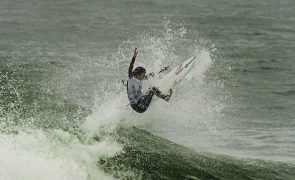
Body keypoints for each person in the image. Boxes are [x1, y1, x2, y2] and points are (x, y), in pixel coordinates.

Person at [127, 48, 172, 113]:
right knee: (152, 89)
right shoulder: (131, 79)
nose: (144, 76)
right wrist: (134, 57)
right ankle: (165, 97)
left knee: (146, 92)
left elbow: (149, 75)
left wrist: (162, 70)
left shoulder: (137, 79)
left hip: (134, 105)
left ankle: (152, 97)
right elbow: (130, 69)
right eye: (143, 74)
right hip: (140, 107)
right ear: (139, 75)